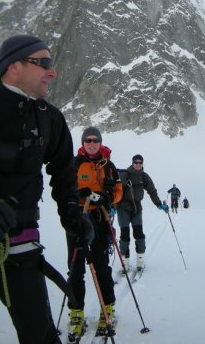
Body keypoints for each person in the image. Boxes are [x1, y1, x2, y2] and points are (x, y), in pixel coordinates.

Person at [0, 35, 93, 344]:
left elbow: (63, 172)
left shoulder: (50, 120)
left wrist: (71, 212)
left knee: (40, 335)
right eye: (42, 62)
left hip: (21, 247)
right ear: (13, 66)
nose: (52, 71)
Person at [66, 127, 123, 342]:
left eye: (95, 140)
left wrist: (106, 200)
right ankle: (76, 313)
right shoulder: (74, 164)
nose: (91, 143)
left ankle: (107, 310)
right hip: (77, 221)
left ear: (100, 143)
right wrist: (77, 195)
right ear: (83, 142)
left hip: (99, 220)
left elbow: (118, 191)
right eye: (88, 140)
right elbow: (64, 189)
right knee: (75, 268)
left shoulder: (109, 166)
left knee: (101, 266)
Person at [117, 154, 168, 273]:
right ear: (132, 163)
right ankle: (125, 262)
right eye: (136, 162)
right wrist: (113, 206)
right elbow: (117, 191)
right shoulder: (124, 175)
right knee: (124, 235)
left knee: (139, 233)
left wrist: (158, 204)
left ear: (142, 164)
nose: (138, 164)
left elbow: (152, 190)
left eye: (140, 163)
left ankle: (140, 261)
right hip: (123, 208)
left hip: (136, 209)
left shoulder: (144, 177)